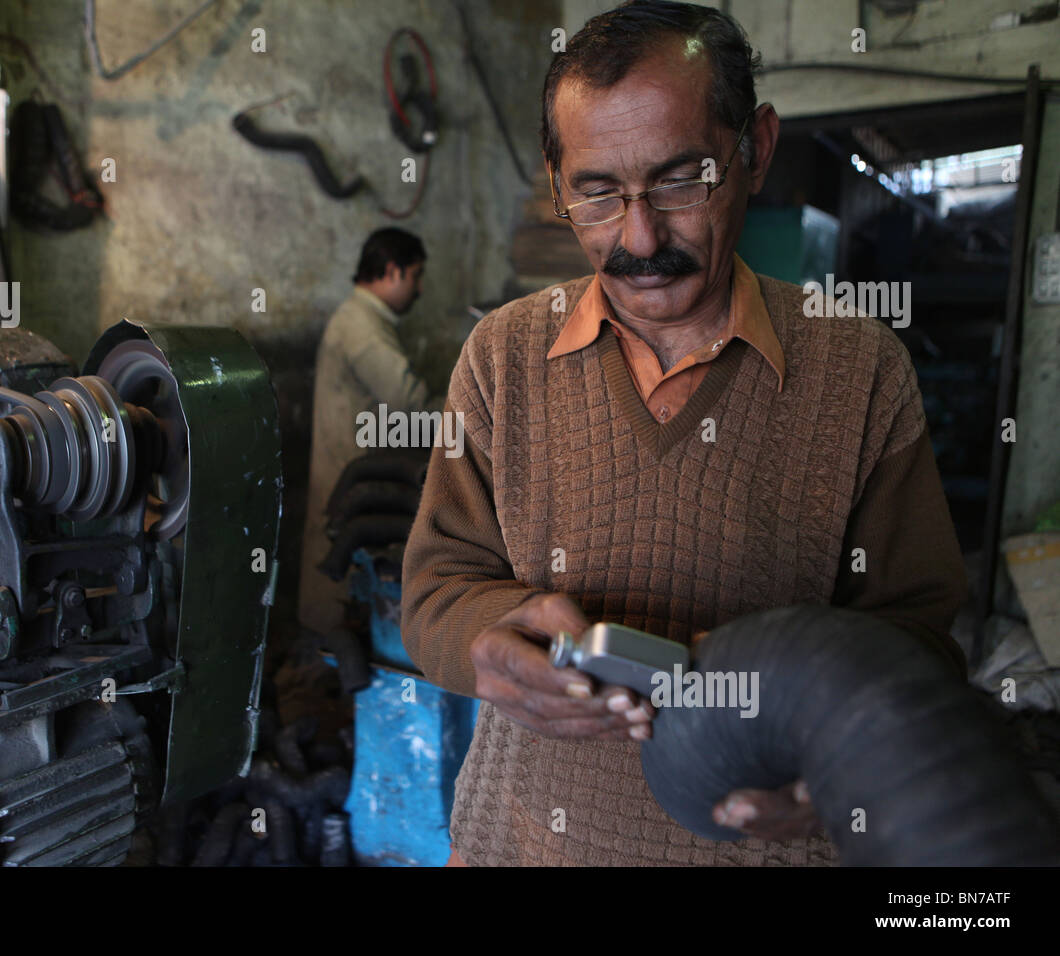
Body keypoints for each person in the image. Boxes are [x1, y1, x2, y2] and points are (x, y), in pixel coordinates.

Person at [401, 0, 968, 867]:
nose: (639, 238)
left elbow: (919, 639)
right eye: (596, 193)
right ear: (559, 186)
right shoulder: (502, 354)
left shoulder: (861, 373)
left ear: (756, 151)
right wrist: (493, 641)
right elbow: (436, 591)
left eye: (680, 180)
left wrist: (837, 773)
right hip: (517, 846)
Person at [299, 228, 437, 637]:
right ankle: (329, 666)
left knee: (337, 565)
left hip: (352, 463)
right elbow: (410, 405)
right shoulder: (361, 327)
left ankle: (329, 657)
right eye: (416, 275)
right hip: (352, 472)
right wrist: (472, 406)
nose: (420, 288)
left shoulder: (363, 320)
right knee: (340, 572)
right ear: (392, 272)